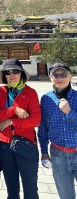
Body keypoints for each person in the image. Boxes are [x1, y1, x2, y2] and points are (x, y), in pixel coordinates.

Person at [0, 59, 41, 199]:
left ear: (22, 74)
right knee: (12, 189)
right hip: (5, 145)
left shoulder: (30, 92)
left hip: (26, 144)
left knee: (30, 189)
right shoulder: (0, 92)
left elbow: (35, 120)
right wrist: (14, 109)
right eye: (8, 72)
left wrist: (11, 121)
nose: (12, 75)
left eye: (15, 71)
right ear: (4, 75)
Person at [38, 63, 77, 199]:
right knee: (66, 195)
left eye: (63, 74)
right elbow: (43, 128)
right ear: (50, 77)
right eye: (56, 74)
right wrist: (43, 152)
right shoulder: (46, 99)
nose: (60, 77)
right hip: (58, 154)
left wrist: (69, 112)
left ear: (70, 76)